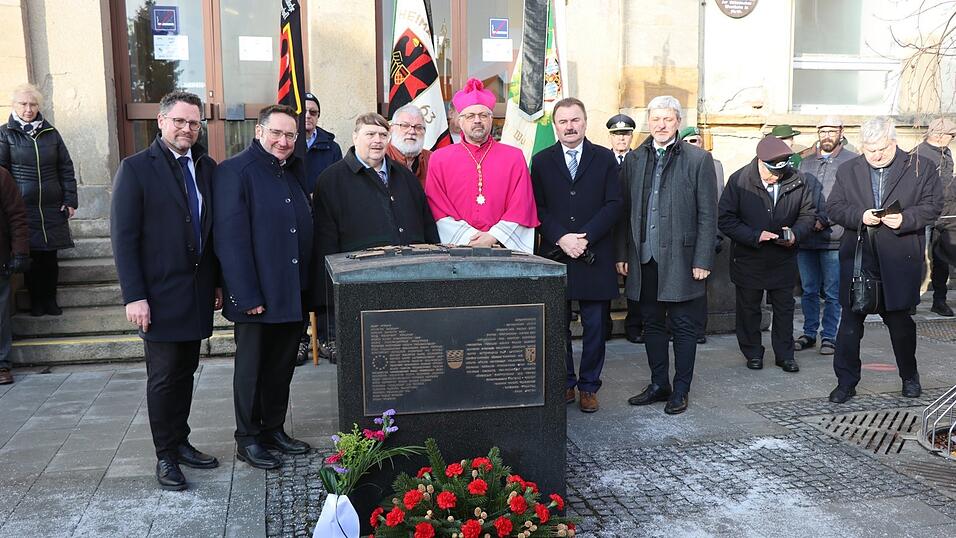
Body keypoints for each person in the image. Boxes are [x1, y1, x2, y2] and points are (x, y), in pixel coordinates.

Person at [111, 91, 221, 490]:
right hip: (157, 296)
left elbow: (211, 231)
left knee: (186, 371)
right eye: (179, 121)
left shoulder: (206, 167)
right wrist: (134, 296)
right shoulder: (136, 169)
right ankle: (165, 455)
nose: (187, 129)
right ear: (161, 121)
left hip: (196, 291)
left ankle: (181, 440)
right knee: (163, 377)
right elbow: (124, 238)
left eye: (193, 122)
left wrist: (217, 282)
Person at [214, 104, 314, 468]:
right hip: (256, 295)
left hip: (291, 290)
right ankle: (248, 438)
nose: (283, 141)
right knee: (252, 371)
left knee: (281, 367)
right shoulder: (235, 171)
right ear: (259, 132)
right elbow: (230, 239)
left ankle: (273, 429)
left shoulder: (292, 170)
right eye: (276, 133)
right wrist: (246, 294)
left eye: (290, 135)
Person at [826, 116, 942, 404]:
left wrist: (906, 219)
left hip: (899, 257)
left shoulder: (920, 166)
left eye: (882, 149)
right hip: (858, 257)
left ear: (894, 142)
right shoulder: (848, 169)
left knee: (901, 326)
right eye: (870, 150)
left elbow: (933, 205)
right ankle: (846, 383)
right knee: (849, 327)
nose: (876, 156)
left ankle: (909, 377)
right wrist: (860, 216)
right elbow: (834, 207)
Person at [617, 95, 717, 415]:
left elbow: (708, 214)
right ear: (648, 122)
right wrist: (623, 253)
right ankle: (659, 383)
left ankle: (681, 389)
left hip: (683, 261)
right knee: (652, 324)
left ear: (678, 122)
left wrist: (703, 258)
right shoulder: (634, 159)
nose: (661, 125)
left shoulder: (698, 159)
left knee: (684, 326)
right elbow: (624, 212)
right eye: (656, 119)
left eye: (668, 119)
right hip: (644, 258)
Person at [532, 98, 622, 413]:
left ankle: (588, 387)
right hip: (556, 254)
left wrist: (585, 238)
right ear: (555, 126)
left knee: (595, 326)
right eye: (563, 122)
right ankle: (566, 382)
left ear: (585, 122)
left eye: (575, 120)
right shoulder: (541, 161)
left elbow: (614, 204)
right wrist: (562, 237)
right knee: (557, 326)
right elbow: (537, 207)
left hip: (593, 254)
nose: (570, 127)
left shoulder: (605, 158)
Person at [718, 136, 815, 373]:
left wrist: (795, 234)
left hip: (783, 257)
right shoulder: (739, 180)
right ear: (761, 162)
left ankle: (785, 355)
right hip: (749, 256)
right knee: (749, 309)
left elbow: (808, 215)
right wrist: (754, 235)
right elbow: (726, 219)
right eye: (772, 172)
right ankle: (752, 353)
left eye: (780, 172)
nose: (776, 177)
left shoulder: (797, 179)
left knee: (784, 308)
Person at [426, 78, 538, 252]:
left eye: (483, 115)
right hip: (456, 250)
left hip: (501, 248)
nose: (477, 120)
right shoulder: (439, 158)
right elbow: (437, 206)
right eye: (470, 116)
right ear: (460, 121)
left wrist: (493, 236)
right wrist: (469, 238)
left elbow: (522, 203)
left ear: (491, 119)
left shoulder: (514, 157)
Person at [314, 112, 439, 267]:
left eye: (383, 135)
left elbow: (428, 227)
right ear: (355, 137)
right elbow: (325, 242)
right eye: (370, 134)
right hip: (359, 273)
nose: (377, 140)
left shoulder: (406, 176)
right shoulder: (331, 180)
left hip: (413, 270)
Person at [0, 83, 77, 317]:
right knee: (31, 256)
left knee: (50, 257)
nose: (28, 109)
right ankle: (36, 302)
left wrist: (70, 199)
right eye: (23, 104)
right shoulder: (5, 134)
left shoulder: (51, 133)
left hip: (52, 206)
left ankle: (50, 300)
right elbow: (2, 172)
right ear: (14, 106)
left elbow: (65, 167)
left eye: (33, 104)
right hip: (23, 207)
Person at [794, 116, 858, 355]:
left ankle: (829, 335)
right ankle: (809, 333)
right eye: (823, 131)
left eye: (832, 131)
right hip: (806, 238)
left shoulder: (852, 161)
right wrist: (807, 221)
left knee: (832, 292)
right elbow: (799, 197)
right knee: (808, 289)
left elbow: (851, 199)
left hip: (834, 238)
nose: (827, 136)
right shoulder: (805, 162)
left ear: (841, 132)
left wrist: (825, 219)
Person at [296, 92, 341, 366]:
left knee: (324, 279)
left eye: (313, 112)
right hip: (297, 221)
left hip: (323, 221)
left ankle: (327, 337)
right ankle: (300, 338)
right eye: (304, 112)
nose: (308, 117)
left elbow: (337, 181)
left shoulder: (330, 146)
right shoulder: (289, 143)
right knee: (300, 280)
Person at [678, 125, 725, 344]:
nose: (692, 145)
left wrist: (715, 236)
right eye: (687, 142)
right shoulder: (676, 162)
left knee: (699, 286)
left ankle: (698, 330)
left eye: (695, 140)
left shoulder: (714, 164)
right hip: (681, 236)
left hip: (704, 233)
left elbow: (717, 201)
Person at [606, 113, 642, 343]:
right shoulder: (601, 160)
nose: (621, 138)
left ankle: (635, 326)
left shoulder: (640, 160)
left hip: (632, 231)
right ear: (610, 137)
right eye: (617, 134)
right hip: (606, 232)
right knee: (603, 283)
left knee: (636, 282)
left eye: (626, 134)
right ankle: (604, 326)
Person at [915, 118, 956, 316]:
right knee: (918, 258)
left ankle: (939, 301)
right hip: (924, 214)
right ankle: (911, 301)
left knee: (942, 259)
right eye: (951, 135)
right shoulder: (918, 154)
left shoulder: (946, 153)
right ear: (938, 135)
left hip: (946, 215)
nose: (952, 139)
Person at [0, 165, 29, 385]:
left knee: (0, 315)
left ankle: (2, 364)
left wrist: (20, 252)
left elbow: (17, 216)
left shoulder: (1, 176)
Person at [386, 104, 432, 186]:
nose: (412, 132)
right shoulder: (379, 158)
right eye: (405, 125)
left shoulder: (432, 159)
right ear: (391, 129)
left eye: (418, 127)